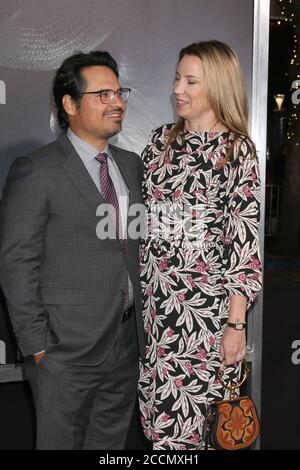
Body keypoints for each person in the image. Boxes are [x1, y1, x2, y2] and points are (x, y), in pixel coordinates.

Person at [0, 50, 146, 450]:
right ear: (70, 104)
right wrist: (38, 347)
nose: (117, 102)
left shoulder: (132, 165)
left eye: (119, 92)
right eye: (103, 94)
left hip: (126, 345)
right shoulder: (37, 169)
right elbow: (17, 262)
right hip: (63, 353)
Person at [138, 40, 262, 450]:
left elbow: (242, 244)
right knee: (158, 429)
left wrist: (236, 325)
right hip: (155, 316)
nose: (178, 88)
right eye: (177, 77)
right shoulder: (158, 143)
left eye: (191, 80)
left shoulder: (237, 151)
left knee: (197, 434)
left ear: (218, 87)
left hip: (204, 321)